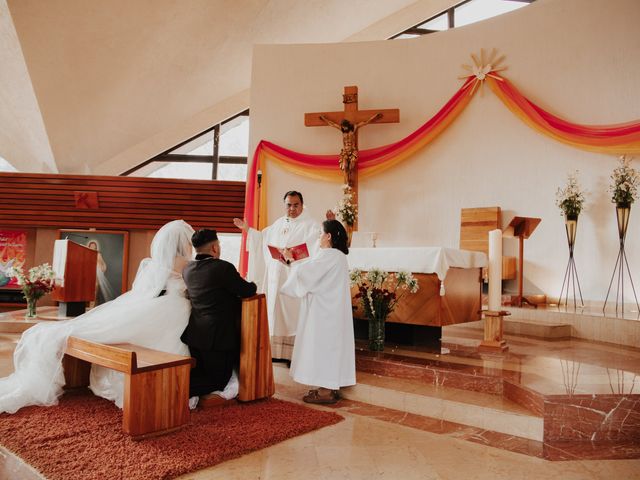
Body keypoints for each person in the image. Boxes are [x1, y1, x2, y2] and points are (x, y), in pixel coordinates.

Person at [0, 220, 195, 413]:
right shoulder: (184, 263)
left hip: (158, 304)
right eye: (189, 241)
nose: (190, 246)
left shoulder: (158, 262)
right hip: (172, 306)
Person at [234, 191, 324, 361]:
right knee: (275, 314)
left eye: (296, 205)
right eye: (289, 205)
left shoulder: (311, 225)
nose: (292, 208)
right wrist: (248, 230)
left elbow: (314, 248)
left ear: (302, 205)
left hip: (294, 277)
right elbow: (263, 239)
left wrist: (291, 256)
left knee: (292, 315)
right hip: (276, 277)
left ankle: (294, 356)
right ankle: (276, 354)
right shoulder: (278, 223)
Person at [280, 219, 356, 404]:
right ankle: (327, 387)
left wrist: (290, 259)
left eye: (321, 233)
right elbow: (312, 271)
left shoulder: (329, 255)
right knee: (328, 347)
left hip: (324, 312)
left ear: (329, 236)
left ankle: (325, 392)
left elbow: (307, 274)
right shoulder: (337, 256)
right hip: (330, 309)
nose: (319, 237)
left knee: (323, 347)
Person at [181, 229, 257, 398]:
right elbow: (247, 290)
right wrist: (253, 282)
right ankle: (171, 390)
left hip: (196, 336)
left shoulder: (188, 269)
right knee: (218, 381)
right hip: (217, 338)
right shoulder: (222, 268)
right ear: (214, 248)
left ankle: (173, 386)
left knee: (201, 374)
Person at [318, 113, 382, 186]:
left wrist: (375, 117)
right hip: (345, 151)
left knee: (351, 166)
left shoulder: (354, 128)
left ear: (347, 125)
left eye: (344, 126)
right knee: (345, 166)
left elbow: (365, 122)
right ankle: (347, 183)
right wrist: (323, 119)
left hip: (352, 151)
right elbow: (332, 124)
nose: (344, 128)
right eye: (343, 127)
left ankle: (350, 180)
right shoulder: (342, 130)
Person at [86, 240, 115, 305]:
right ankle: (90, 304)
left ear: (96, 247)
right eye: (91, 246)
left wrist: (102, 270)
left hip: (97, 273)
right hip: (88, 273)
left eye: (94, 246)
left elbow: (103, 264)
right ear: (89, 246)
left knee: (96, 289)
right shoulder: (86, 253)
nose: (92, 247)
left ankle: (93, 304)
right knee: (89, 289)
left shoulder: (98, 254)